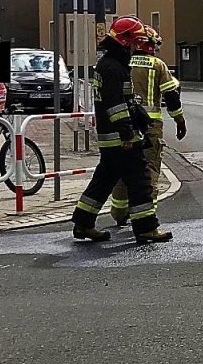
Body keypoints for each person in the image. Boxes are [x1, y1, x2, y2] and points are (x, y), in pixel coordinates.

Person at [70, 16, 172, 244]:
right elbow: (116, 105)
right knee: (140, 180)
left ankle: (83, 223)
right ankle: (146, 228)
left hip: (109, 136)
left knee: (104, 180)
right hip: (119, 137)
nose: (137, 46)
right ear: (126, 41)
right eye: (135, 41)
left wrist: (138, 116)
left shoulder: (109, 64)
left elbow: (121, 101)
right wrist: (126, 133)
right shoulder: (114, 68)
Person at [110, 24, 186, 227]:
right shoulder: (157, 65)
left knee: (123, 170)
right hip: (150, 127)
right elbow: (171, 97)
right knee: (149, 170)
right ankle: (146, 216)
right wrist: (179, 120)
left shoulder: (121, 63)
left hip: (123, 125)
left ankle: (119, 212)